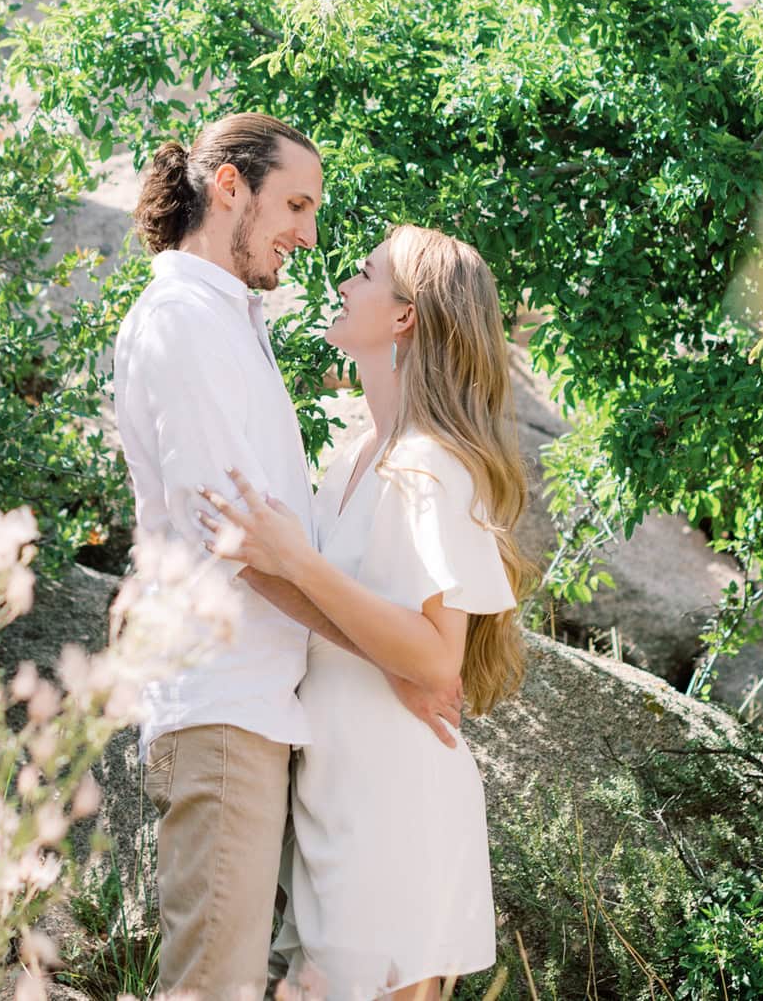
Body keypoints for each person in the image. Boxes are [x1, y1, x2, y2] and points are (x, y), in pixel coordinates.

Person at [112, 114, 463, 1000]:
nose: (308, 234)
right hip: (223, 705)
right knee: (211, 988)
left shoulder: (229, 318)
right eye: (295, 204)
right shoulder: (186, 322)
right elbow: (240, 543)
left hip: (263, 714)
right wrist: (396, 658)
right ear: (228, 185)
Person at [200, 224, 539, 1001]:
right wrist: (258, 558)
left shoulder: (431, 466)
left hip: (396, 809)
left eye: (364, 273)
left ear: (403, 317)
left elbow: (433, 660)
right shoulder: (355, 454)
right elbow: (330, 611)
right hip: (333, 799)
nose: (343, 284)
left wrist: (297, 561)